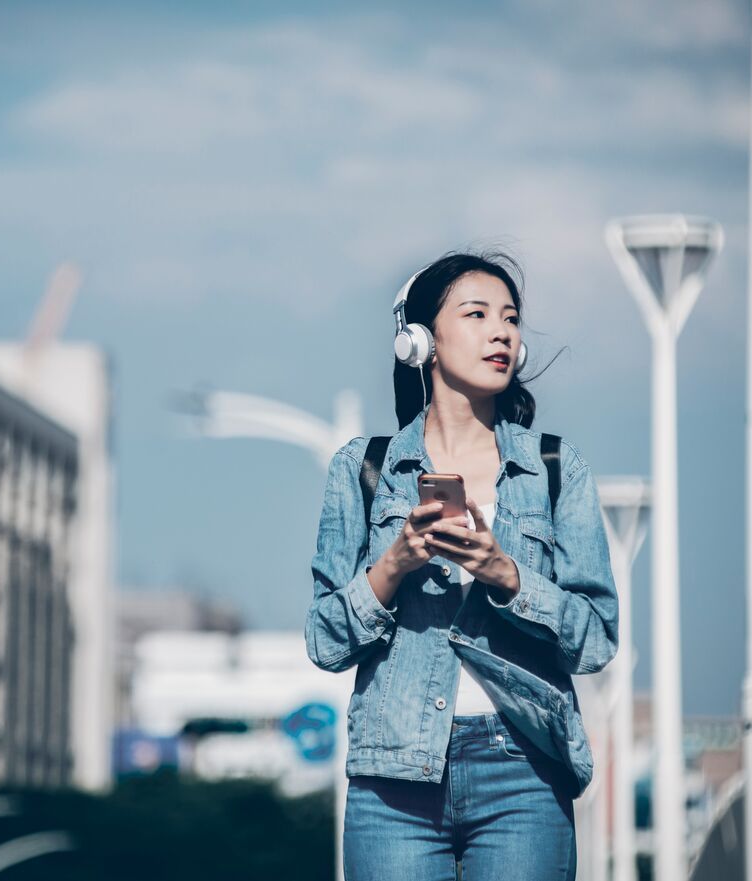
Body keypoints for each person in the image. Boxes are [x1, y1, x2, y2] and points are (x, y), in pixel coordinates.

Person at [304, 251, 619, 880]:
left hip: (523, 768)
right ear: (418, 341)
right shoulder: (363, 469)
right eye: (476, 314)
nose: (501, 332)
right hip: (393, 777)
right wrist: (393, 565)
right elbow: (324, 640)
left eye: (510, 319)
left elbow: (596, 639)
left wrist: (507, 574)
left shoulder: (556, 468)